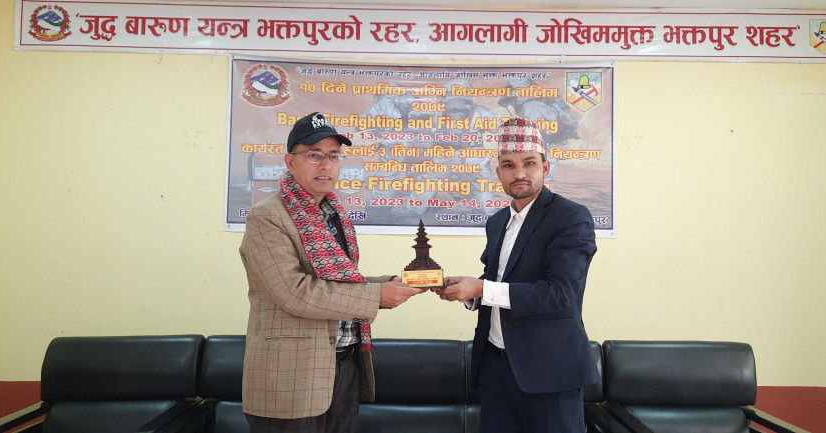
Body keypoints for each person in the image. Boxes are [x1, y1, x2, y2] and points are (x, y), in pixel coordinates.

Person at [239, 111, 423, 432]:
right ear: (290, 162)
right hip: (291, 376)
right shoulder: (266, 216)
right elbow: (296, 293)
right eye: (314, 155)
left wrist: (390, 283)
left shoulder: (333, 214)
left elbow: (339, 282)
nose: (325, 165)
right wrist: (377, 296)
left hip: (344, 365)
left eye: (334, 156)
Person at [435, 117, 599, 433]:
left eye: (529, 163)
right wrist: (467, 291)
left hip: (550, 371)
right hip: (496, 369)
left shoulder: (571, 217)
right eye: (508, 165)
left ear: (545, 167)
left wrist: (481, 288)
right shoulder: (497, 222)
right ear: (497, 172)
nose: (519, 173)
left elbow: (560, 295)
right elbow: (496, 279)